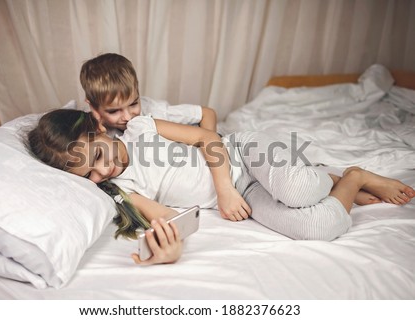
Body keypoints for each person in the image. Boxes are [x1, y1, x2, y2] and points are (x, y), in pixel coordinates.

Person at [27, 109, 415, 266]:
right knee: (315, 229)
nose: (104, 170)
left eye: (98, 155)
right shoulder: (121, 188)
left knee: (300, 192)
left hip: (241, 155)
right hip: (246, 193)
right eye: (90, 175)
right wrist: (166, 249)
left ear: (98, 130)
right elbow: (168, 217)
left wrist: (225, 189)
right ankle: (352, 179)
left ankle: (326, 177)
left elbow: (208, 139)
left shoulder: (141, 128)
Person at [80, 53, 217, 137]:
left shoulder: (155, 111)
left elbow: (207, 113)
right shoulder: (91, 129)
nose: (128, 117)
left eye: (133, 103)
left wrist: (208, 149)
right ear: (93, 107)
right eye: (114, 111)